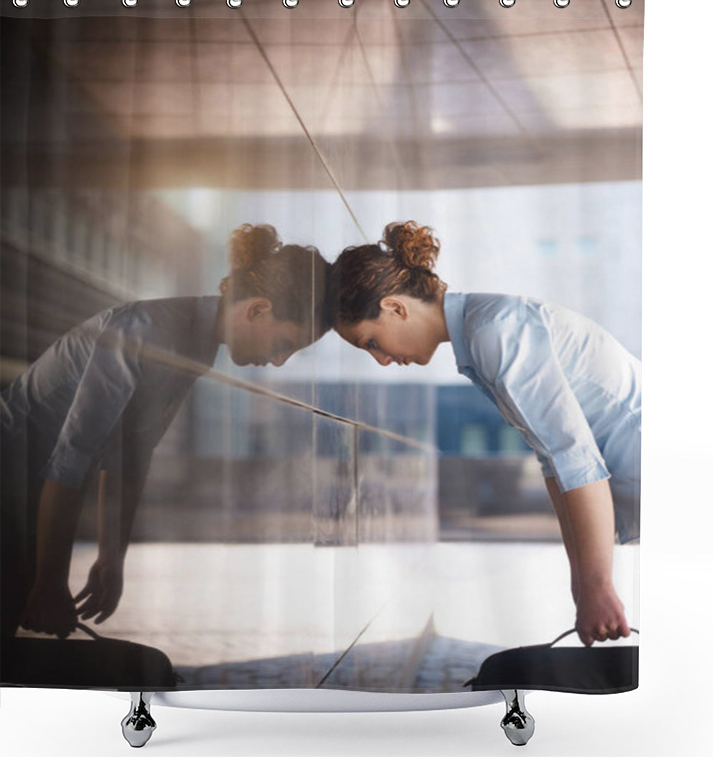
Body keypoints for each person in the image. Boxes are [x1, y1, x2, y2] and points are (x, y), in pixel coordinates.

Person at [1, 224, 332, 641]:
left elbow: (131, 455)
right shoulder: (145, 330)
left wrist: (112, 557)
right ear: (257, 310)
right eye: (285, 343)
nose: (280, 361)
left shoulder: (197, 342)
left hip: (28, 489)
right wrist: (51, 581)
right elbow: (72, 457)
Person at [331, 221, 640, 647]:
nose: (381, 360)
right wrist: (584, 583)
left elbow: (575, 458)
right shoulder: (482, 333)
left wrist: (599, 585)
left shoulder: (494, 330)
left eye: (371, 342)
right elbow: (555, 464)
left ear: (395, 308)